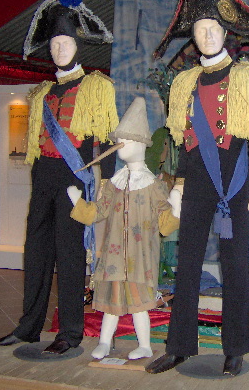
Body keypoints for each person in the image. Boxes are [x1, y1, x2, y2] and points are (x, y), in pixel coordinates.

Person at [145, 0, 249, 376]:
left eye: (213, 27)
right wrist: (179, 186)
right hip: (198, 183)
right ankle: (179, 346)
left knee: (235, 266)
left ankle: (235, 348)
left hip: (236, 182)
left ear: (226, 32)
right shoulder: (185, 82)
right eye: (200, 28)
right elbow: (187, 143)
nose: (206, 34)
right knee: (187, 264)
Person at [0, 0, 117, 356]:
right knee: (36, 252)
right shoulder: (41, 94)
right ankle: (28, 327)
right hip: (43, 175)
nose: (60, 48)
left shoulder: (96, 86)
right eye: (55, 44)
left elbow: (106, 139)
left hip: (74, 175)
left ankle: (70, 332)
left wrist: (104, 186)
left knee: (69, 253)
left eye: (66, 43)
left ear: (78, 45)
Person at [66, 97, 180, 360]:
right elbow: (99, 212)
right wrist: (78, 203)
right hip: (114, 257)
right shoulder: (114, 183)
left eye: (126, 140)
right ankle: (105, 342)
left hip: (141, 258)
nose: (120, 145)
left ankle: (145, 345)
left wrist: (176, 210)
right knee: (112, 305)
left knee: (140, 305)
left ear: (141, 144)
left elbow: (165, 225)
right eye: (120, 140)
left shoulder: (153, 185)